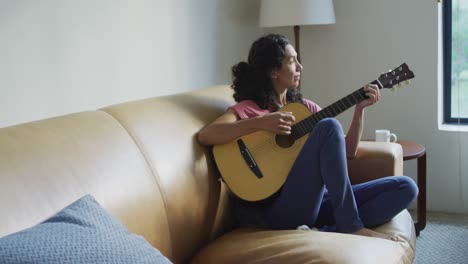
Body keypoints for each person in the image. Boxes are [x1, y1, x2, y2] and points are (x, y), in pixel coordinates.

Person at [197, 34, 418, 241]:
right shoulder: (251, 109)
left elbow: (348, 151)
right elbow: (207, 135)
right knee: (329, 125)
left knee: (406, 187)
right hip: (274, 210)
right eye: (292, 61)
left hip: (316, 203)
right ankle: (350, 225)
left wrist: (359, 110)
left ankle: (326, 231)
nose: (300, 67)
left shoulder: (305, 108)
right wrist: (261, 122)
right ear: (274, 71)